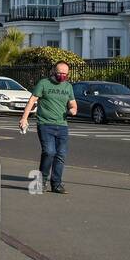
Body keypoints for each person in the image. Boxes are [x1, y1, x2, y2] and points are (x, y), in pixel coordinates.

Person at [19, 62, 78, 194]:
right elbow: (32, 100)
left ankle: (56, 183)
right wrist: (24, 118)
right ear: (53, 71)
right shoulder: (43, 83)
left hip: (62, 125)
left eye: (65, 73)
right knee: (49, 152)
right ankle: (42, 181)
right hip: (45, 124)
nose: (62, 75)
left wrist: (73, 110)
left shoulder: (68, 86)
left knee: (61, 155)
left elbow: (73, 104)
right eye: (60, 73)